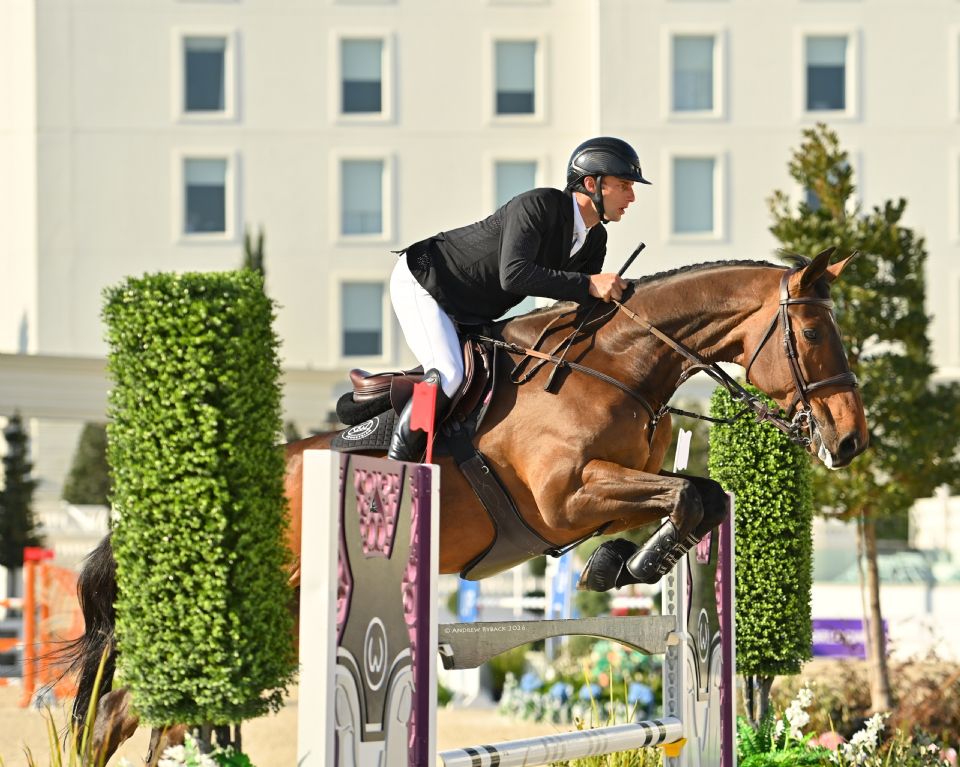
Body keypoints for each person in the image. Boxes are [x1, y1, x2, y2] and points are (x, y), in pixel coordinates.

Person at [387, 136, 652, 461]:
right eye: (624, 185)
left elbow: (578, 303)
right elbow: (514, 275)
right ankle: (398, 463)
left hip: (473, 311)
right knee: (449, 374)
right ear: (590, 184)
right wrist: (588, 284)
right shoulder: (539, 205)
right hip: (426, 281)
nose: (632, 196)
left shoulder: (596, 238)